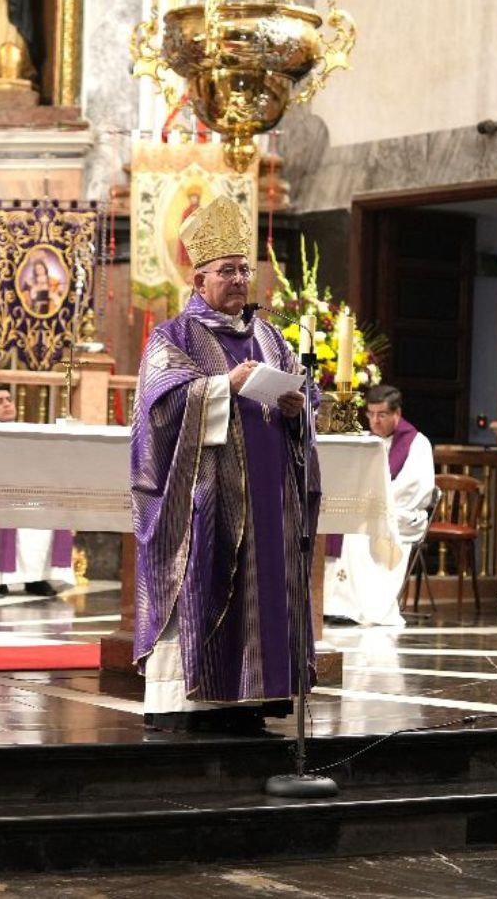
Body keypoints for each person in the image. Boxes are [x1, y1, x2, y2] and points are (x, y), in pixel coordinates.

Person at [131, 195, 320, 735]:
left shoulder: (271, 336)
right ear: (199, 280)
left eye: (244, 269)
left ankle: (258, 694)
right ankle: (191, 699)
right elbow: (159, 406)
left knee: (264, 592)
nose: (238, 279)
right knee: (206, 579)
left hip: (270, 493)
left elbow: (304, 403)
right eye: (226, 271)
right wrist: (219, 387)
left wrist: (297, 408)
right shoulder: (174, 336)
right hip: (207, 493)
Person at [323, 384, 435, 626]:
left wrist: (373, 502)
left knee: (358, 534)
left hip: (402, 515)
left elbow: (415, 488)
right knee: (335, 525)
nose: (375, 421)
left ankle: (363, 607)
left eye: (381, 415)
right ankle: (334, 604)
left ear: (397, 413)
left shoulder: (417, 444)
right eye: (370, 414)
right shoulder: (366, 442)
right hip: (367, 511)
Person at [0, 384, 75, 596]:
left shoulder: (27, 432)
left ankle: (38, 578)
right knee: (6, 514)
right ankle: (1, 579)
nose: (6, 404)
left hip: (26, 493)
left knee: (53, 512)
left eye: (9, 400)